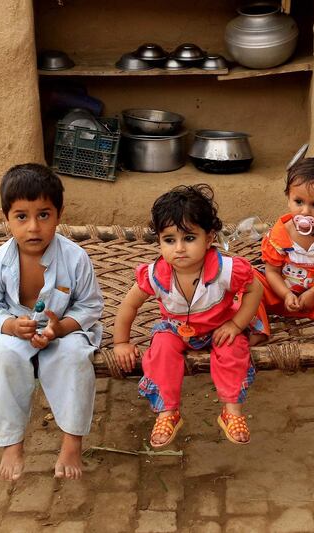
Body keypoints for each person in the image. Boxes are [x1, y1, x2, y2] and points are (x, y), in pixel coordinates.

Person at [0, 163, 104, 481]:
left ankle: (72, 442)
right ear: (6, 219)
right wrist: (9, 325)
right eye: (21, 216)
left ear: (59, 215)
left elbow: (89, 306)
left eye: (43, 215)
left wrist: (60, 328)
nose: (33, 227)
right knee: (0, 357)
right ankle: (12, 444)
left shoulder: (75, 258)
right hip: (15, 333)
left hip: (64, 332)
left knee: (74, 358)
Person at [113, 184, 265, 447]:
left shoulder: (224, 269)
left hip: (219, 326)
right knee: (160, 348)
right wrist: (120, 342)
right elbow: (129, 305)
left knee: (233, 350)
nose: (179, 248)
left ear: (209, 238)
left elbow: (256, 288)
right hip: (175, 329)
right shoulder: (156, 274)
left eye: (189, 238)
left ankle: (232, 410)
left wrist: (236, 323)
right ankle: (167, 411)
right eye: (169, 240)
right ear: (159, 241)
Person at [251, 157, 314, 346]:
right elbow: (272, 272)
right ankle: (258, 330)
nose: (305, 212)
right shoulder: (278, 236)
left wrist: (313, 293)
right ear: (288, 198)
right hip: (279, 296)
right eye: (298, 202)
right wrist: (285, 294)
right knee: (251, 284)